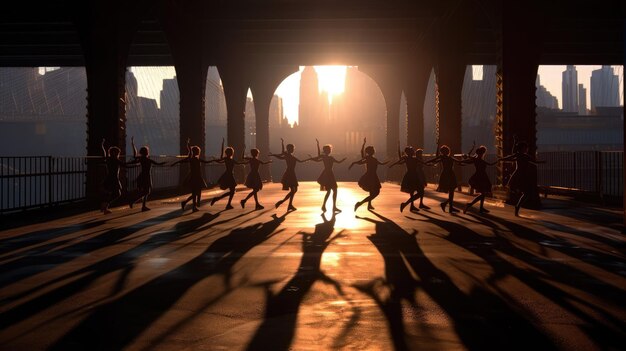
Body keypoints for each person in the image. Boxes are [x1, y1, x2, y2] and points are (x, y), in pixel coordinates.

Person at [501, 140, 545, 216]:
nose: (526, 149)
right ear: (522, 148)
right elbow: (509, 158)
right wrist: (503, 159)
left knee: (525, 193)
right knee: (525, 192)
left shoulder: (523, 156)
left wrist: (502, 159)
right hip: (520, 175)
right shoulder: (522, 155)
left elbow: (509, 158)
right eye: (525, 148)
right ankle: (517, 207)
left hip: (521, 175)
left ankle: (517, 206)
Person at [171, 138, 213, 212]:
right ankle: (194, 206)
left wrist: (175, 163)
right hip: (195, 177)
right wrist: (213, 160)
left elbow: (182, 161)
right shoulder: (194, 159)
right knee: (195, 193)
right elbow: (206, 162)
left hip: (196, 177)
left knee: (197, 192)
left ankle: (190, 203)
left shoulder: (194, 159)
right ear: (197, 152)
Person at [127, 136, 166, 212]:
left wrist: (133, 144)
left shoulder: (141, 159)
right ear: (147, 152)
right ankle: (134, 201)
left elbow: (134, 157)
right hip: (147, 177)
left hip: (142, 176)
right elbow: (158, 164)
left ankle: (143, 206)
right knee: (146, 191)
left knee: (145, 191)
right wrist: (164, 163)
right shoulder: (148, 159)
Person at [269, 138, 309, 211]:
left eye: (293, 148)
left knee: (294, 190)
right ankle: (283, 203)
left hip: (292, 173)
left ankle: (289, 204)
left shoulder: (291, 156)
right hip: (289, 174)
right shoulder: (287, 155)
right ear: (289, 149)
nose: (293, 149)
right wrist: (274, 154)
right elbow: (281, 156)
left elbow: (300, 161)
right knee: (293, 190)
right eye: (292, 148)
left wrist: (308, 159)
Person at [350, 138, 388, 211]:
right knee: (376, 192)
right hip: (371, 176)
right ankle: (360, 203)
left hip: (370, 176)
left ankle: (369, 205)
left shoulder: (370, 158)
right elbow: (381, 163)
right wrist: (363, 144)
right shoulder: (371, 158)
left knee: (372, 191)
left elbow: (381, 163)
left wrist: (364, 144)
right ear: (372, 152)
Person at [310, 139, 346, 213]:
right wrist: (343, 160)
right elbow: (338, 162)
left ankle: (326, 206)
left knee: (330, 191)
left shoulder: (325, 157)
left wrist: (317, 145)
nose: (329, 150)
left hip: (326, 174)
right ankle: (332, 207)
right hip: (329, 174)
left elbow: (317, 158)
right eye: (329, 149)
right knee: (334, 190)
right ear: (327, 151)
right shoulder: (329, 158)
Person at [426, 145, 465, 213]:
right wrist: (465, 160)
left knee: (451, 191)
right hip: (449, 174)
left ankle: (448, 206)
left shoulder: (443, 157)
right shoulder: (448, 158)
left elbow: (434, 160)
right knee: (451, 191)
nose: (447, 152)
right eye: (446, 151)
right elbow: (459, 162)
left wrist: (426, 162)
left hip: (446, 174)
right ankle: (448, 206)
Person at [461, 145, 499, 214]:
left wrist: (499, 160)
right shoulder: (477, 159)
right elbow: (469, 156)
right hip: (479, 177)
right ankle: (470, 205)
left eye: (483, 152)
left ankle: (480, 208)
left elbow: (490, 164)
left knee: (483, 193)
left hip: (482, 176)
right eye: (482, 152)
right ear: (480, 153)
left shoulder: (480, 160)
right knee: (483, 193)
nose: (483, 154)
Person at [389, 144, 426, 212]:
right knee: (418, 192)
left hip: (410, 176)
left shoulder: (409, 158)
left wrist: (392, 165)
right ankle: (409, 205)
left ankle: (409, 205)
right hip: (413, 176)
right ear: (409, 152)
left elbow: (398, 162)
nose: (413, 152)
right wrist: (398, 149)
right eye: (412, 151)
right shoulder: (410, 158)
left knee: (415, 192)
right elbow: (399, 161)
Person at [210, 138, 244, 210]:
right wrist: (246, 163)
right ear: (231, 153)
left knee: (232, 191)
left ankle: (222, 201)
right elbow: (239, 163)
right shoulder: (230, 160)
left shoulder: (226, 159)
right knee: (232, 191)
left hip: (227, 175)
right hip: (229, 175)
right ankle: (225, 203)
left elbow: (220, 160)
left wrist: (222, 145)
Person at [100, 139, 128, 214]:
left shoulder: (109, 159)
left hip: (108, 178)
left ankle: (105, 207)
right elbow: (125, 165)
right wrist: (135, 163)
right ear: (115, 153)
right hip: (114, 178)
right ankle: (105, 205)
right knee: (117, 193)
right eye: (118, 153)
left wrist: (102, 145)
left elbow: (104, 154)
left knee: (109, 192)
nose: (118, 154)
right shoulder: (116, 160)